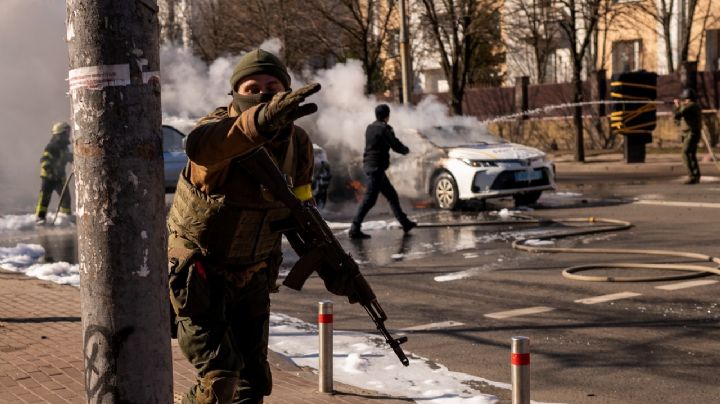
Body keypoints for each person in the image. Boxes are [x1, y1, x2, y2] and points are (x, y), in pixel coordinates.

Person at [166, 49, 332, 404]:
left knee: (254, 383)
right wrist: (257, 123)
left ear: (287, 90)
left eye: (273, 86)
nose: (263, 93)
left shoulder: (299, 143)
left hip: (254, 273)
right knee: (220, 380)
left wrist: (331, 262)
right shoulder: (216, 130)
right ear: (235, 93)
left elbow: (301, 207)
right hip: (200, 277)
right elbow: (201, 149)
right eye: (252, 87)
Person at [349, 104, 416, 239]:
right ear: (387, 115)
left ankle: (405, 223)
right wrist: (406, 150)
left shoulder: (370, 128)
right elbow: (395, 145)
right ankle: (354, 228)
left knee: (391, 195)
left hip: (371, 166)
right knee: (369, 200)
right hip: (376, 169)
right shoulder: (384, 129)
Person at [35, 121, 73, 225]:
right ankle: (40, 218)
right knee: (45, 198)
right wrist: (50, 172)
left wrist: (74, 158)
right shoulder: (51, 146)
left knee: (66, 198)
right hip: (48, 177)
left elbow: (65, 157)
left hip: (60, 177)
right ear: (61, 133)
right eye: (67, 132)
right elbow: (44, 160)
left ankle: (65, 218)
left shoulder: (64, 147)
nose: (68, 134)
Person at [673, 88, 702, 184]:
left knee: (685, 153)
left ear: (687, 98)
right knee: (691, 154)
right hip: (688, 133)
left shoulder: (691, 106)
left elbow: (678, 114)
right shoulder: (689, 106)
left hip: (691, 133)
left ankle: (692, 176)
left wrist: (677, 106)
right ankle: (695, 175)